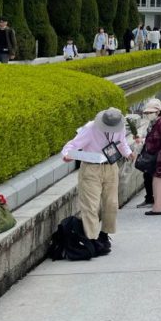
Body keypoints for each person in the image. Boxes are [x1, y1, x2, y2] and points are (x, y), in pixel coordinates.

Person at [61, 107, 134, 254]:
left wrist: (129, 153)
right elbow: (72, 145)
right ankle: (91, 239)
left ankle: (104, 235)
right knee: (91, 205)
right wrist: (67, 154)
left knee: (111, 204)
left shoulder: (119, 126)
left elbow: (121, 142)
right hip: (91, 168)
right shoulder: (90, 128)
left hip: (111, 166)